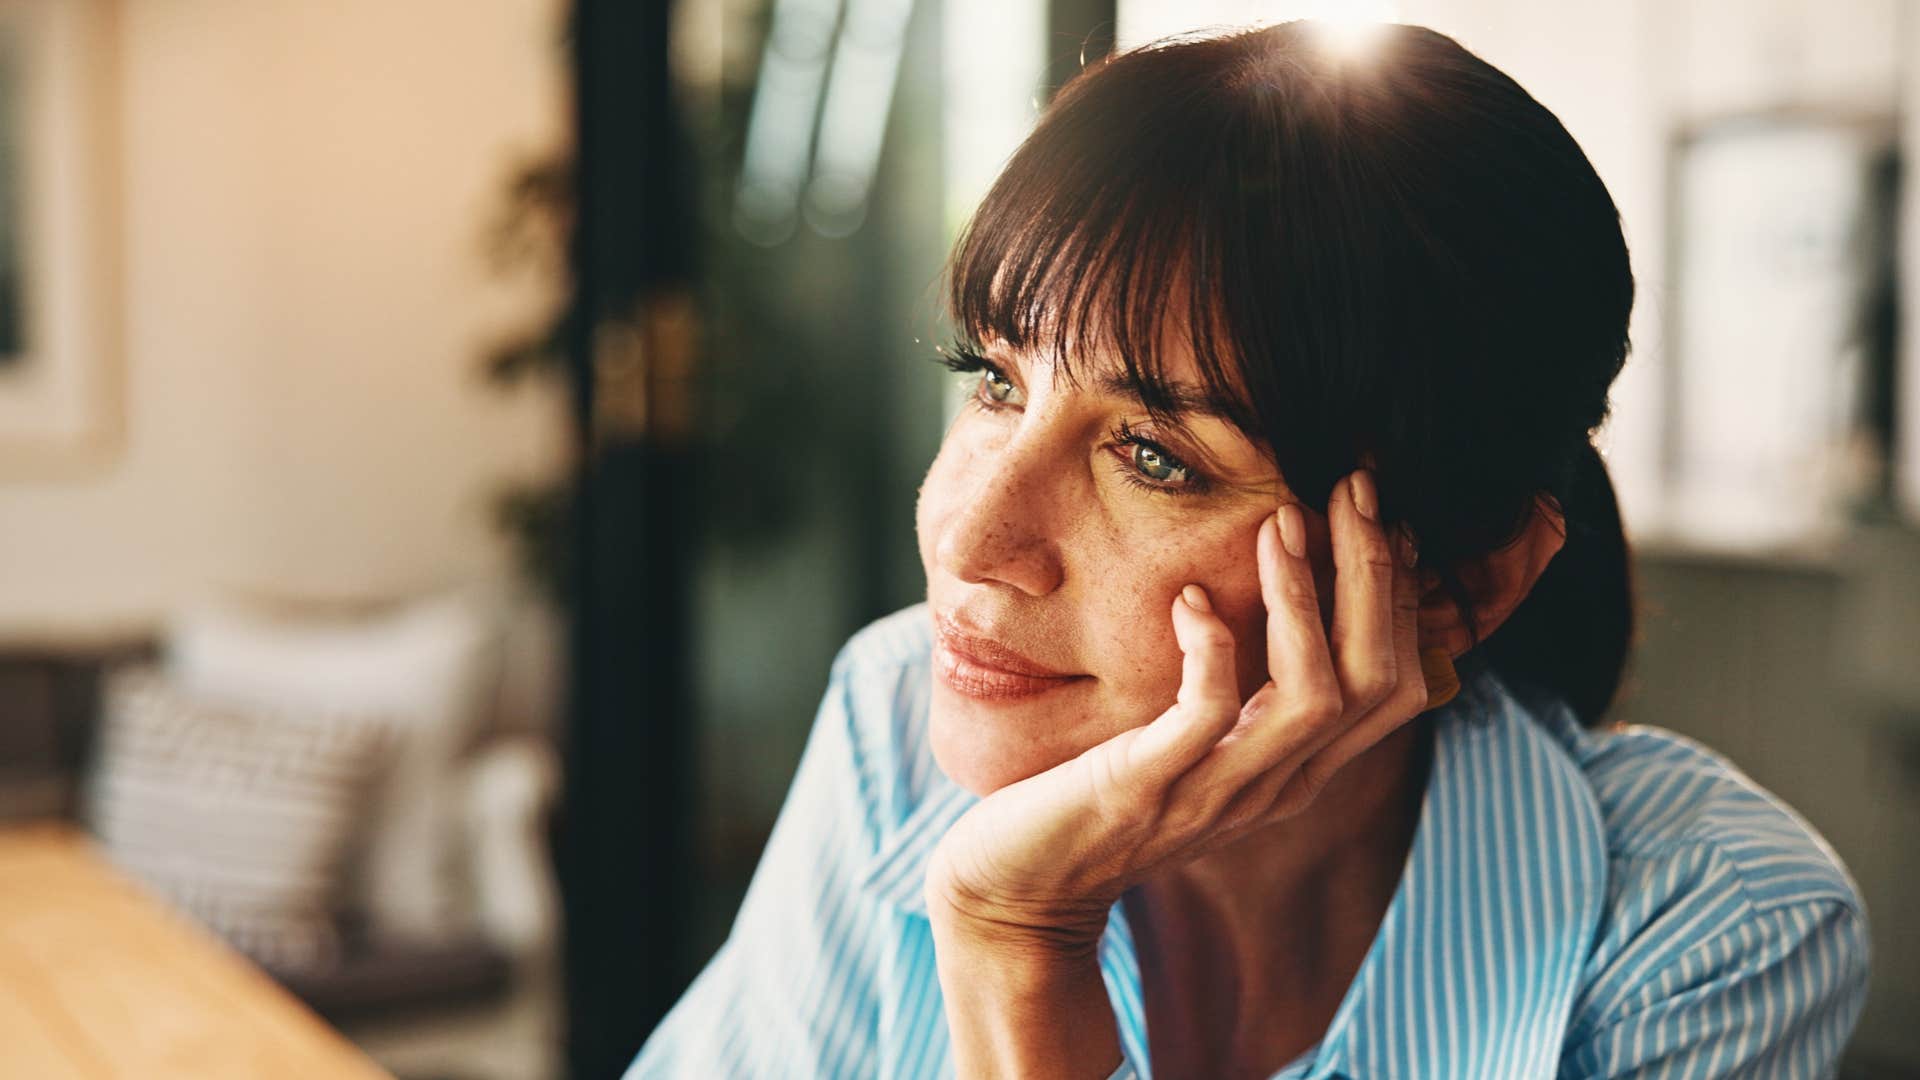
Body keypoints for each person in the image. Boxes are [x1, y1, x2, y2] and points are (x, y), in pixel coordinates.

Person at [627, 19, 1870, 1079]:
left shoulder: (1711, 930)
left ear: (1455, 581)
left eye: (1156, 456)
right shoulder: (896, 725)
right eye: (995, 382)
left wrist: (1015, 943)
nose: (972, 533)